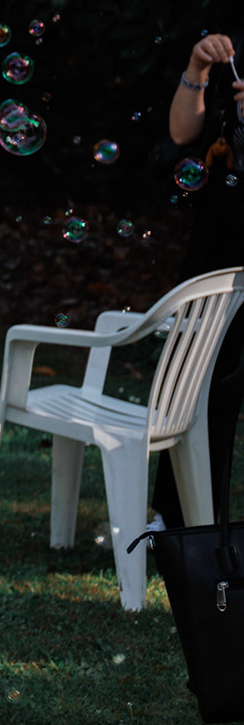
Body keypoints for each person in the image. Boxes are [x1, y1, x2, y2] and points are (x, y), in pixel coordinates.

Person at [152, 31, 244, 529]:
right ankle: (178, 523)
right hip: (220, 237)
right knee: (194, 379)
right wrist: (196, 68)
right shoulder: (236, 48)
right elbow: (183, 135)